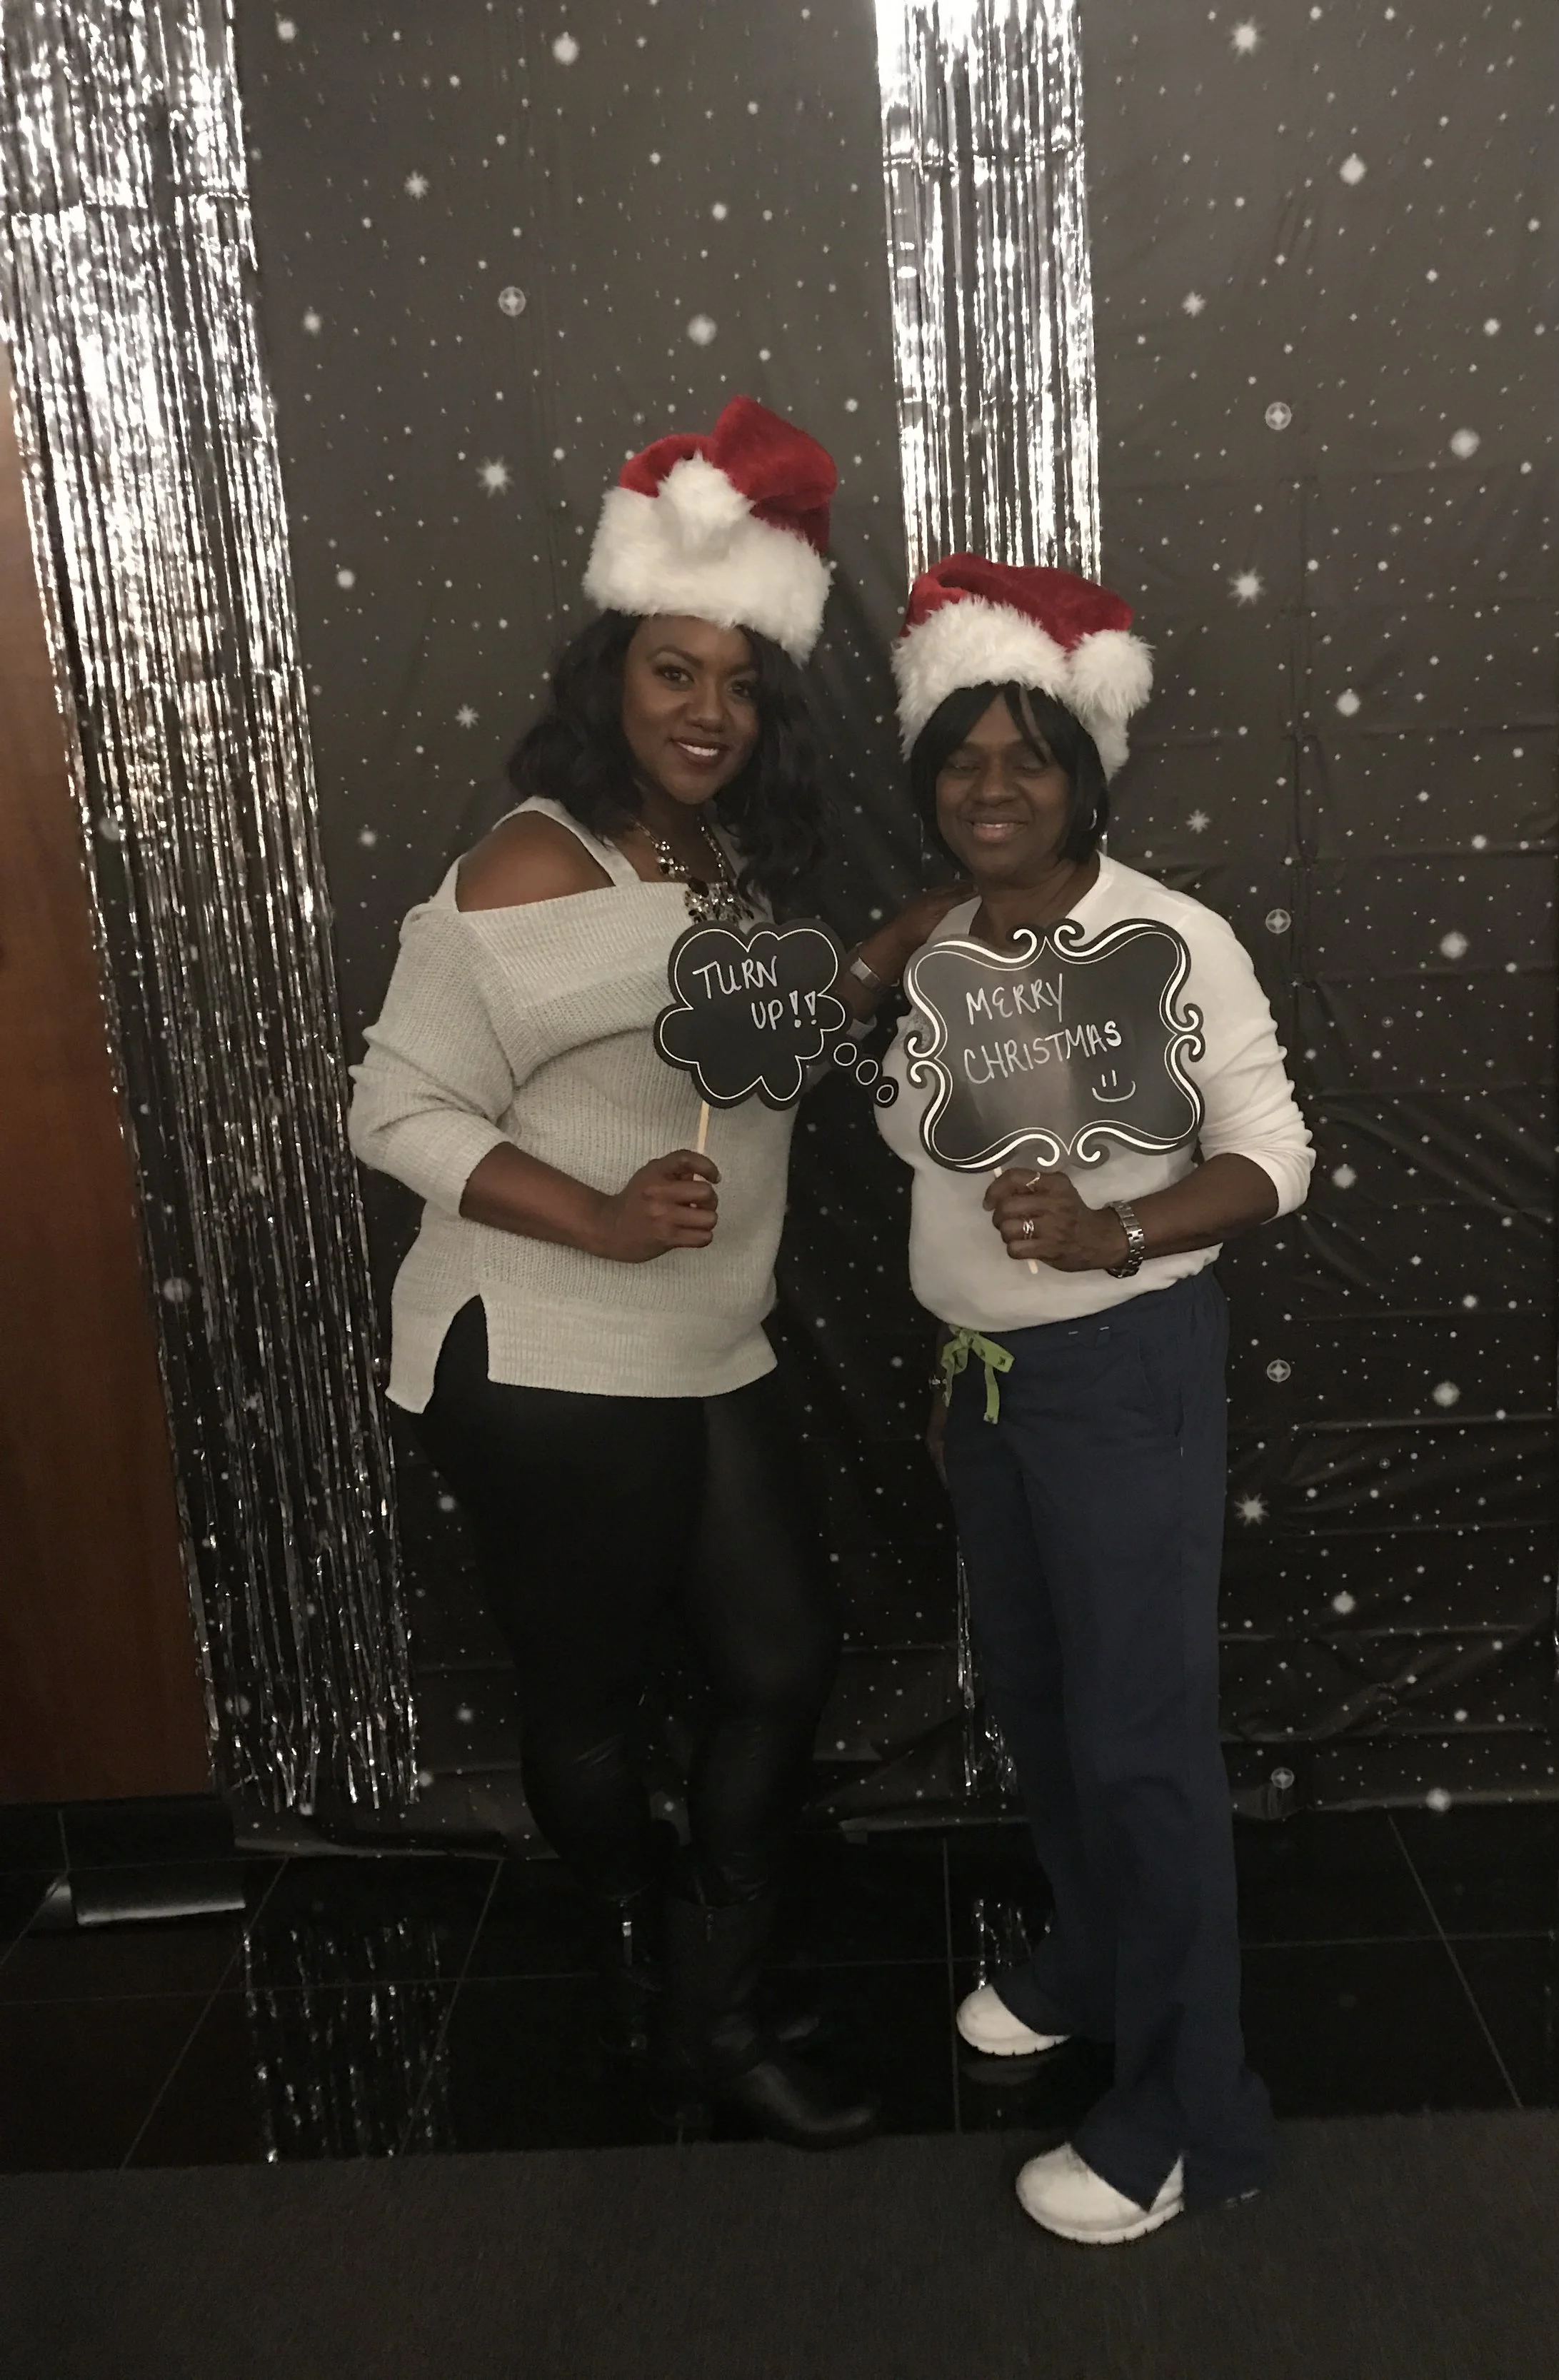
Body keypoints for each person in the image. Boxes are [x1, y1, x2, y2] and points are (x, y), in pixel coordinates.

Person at [348, 398, 944, 2149]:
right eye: (673, 672)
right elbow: (394, 1102)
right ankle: (672, 1982)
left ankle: (704, 1997)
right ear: (615, 673)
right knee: (590, 1704)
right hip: (535, 1341)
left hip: (705, 1336)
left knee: (777, 1662)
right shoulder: (537, 857)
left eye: (740, 679)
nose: (707, 710)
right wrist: (599, 1216)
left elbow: (742, 1048)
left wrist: (875, 965)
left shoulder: (725, 859)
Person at [872, 556, 1314, 2241]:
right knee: (1047, 1711)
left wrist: (1114, 1224)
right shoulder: (947, 953)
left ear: (1082, 776)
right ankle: (1089, 1955)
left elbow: (1273, 1154)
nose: (990, 789)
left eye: (1025, 759)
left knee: (1139, 1749)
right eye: (960, 762)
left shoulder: (1172, 937)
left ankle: (1196, 2116)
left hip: (1121, 1373)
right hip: (985, 1386)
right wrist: (912, 989)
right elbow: (927, 1137)